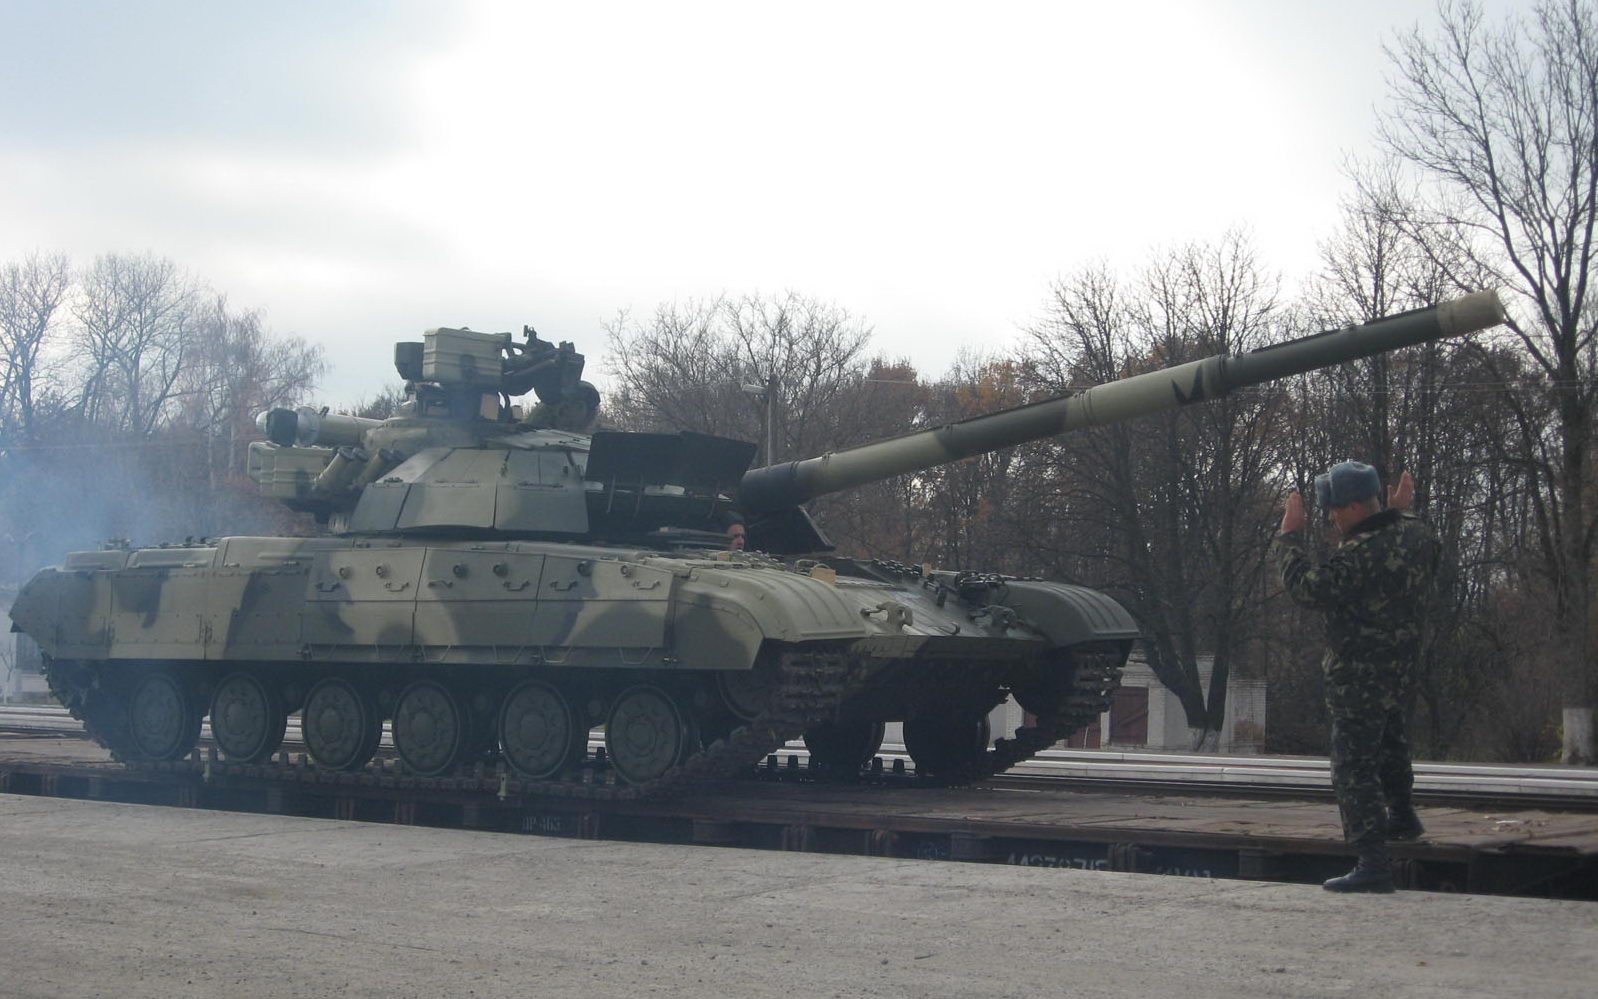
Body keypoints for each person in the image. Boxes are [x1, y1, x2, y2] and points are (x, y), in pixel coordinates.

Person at [1275, 461, 1440, 893]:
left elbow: (1309, 588)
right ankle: (1403, 817)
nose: (1331, 516)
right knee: (1392, 743)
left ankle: (1373, 863)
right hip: (1401, 667)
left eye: (1334, 508)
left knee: (1353, 767)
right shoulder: (1417, 534)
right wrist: (1398, 513)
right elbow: (1416, 546)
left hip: (1359, 676)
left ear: (1353, 507)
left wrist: (1289, 539)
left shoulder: (1361, 552)